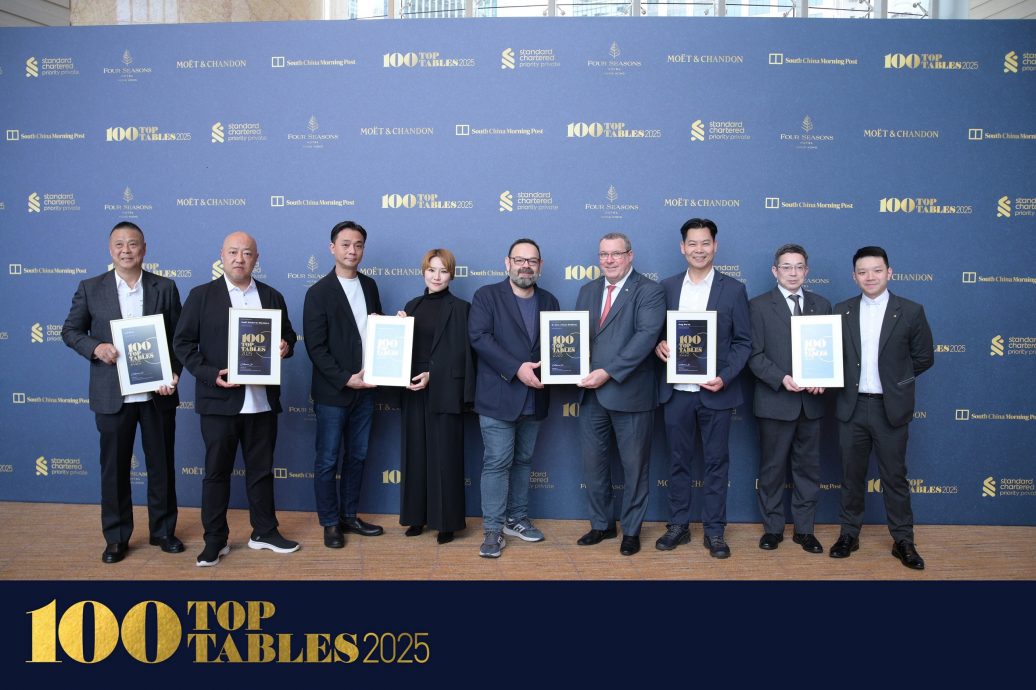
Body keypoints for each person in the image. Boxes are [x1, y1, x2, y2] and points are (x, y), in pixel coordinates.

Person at [173, 231, 299, 566]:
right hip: (219, 401)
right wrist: (210, 373)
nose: (239, 258)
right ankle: (215, 540)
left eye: (246, 253)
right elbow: (182, 344)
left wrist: (285, 345)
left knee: (261, 471)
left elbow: (287, 335)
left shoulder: (271, 296)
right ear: (222, 255)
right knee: (216, 473)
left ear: (256, 258)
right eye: (233, 252)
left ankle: (265, 532)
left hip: (262, 403)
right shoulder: (201, 296)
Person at [61, 221, 183, 564]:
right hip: (111, 395)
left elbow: (179, 338)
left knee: (162, 466)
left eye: (133, 244)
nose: (126, 250)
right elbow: (70, 331)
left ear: (144, 249)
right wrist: (95, 347)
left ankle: (163, 531)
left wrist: (173, 372)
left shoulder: (165, 287)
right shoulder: (90, 288)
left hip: (157, 394)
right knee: (113, 469)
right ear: (110, 249)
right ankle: (116, 537)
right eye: (119, 244)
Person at [830, 246, 934, 569]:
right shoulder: (841, 310)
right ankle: (849, 534)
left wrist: (896, 382)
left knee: (895, 478)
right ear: (854, 276)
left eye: (877, 270)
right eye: (863, 272)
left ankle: (903, 540)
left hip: (890, 409)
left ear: (889, 272)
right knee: (851, 476)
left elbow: (924, 357)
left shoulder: (911, 311)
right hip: (852, 407)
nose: (870, 277)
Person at [654, 218, 751, 559]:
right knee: (677, 462)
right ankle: (678, 526)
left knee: (716, 464)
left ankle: (714, 531)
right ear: (682, 248)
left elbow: (743, 342)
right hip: (676, 393)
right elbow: (655, 332)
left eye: (705, 243)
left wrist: (725, 376)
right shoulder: (666, 287)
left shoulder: (734, 289)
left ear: (715, 246)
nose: (699, 249)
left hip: (716, 392)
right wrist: (658, 345)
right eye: (692, 243)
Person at [575, 232, 666, 557]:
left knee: (635, 468)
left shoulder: (649, 290)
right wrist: (565, 364)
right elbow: (577, 337)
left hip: (631, 394)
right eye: (604, 254)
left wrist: (608, 372)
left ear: (630, 256)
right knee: (594, 465)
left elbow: (645, 337)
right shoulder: (587, 290)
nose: (609, 260)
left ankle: (631, 530)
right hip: (591, 395)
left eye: (616, 253)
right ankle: (601, 524)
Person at [469, 238, 560, 558]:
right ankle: (493, 530)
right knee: (497, 462)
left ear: (540, 266)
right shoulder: (487, 296)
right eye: (519, 260)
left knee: (523, 461)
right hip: (498, 396)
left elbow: (559, 345)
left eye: (532, 261)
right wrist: (516, 368)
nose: (525, 266)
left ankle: (516, 519)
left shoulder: (550, 301)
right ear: (507, 263)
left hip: (535, 395)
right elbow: (479, 338)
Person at [302, 220, 384, 549]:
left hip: (367, 389)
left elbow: (377, 332)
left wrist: (396, 327)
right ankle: (330, 522)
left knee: (358, 456)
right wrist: (345, 378)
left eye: (359, 245)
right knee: (327, 459)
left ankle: (349, 516)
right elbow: (315, 348)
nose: (353, 250)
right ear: (332, 248)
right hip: (333, 392)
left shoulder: (370, 286)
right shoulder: (318, 292)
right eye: (346, 244)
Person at [748, 243, 831, 554]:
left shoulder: (822, 305)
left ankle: (805, 530)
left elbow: (830, 352)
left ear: (806, 271)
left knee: (808, 470)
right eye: (786, 266)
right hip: (775, 401)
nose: (793, 272)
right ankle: (773, 529)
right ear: (775, 271)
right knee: (772, 470)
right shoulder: (758, 306)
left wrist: (823, 379)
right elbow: (753, 355)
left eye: (798, 267)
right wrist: (781, 378)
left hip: (812, 404)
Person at [397, 249, 475, 544]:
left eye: (443, 271)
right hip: (412, 388)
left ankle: (446, 523)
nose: (437, 276)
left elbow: (463, 355)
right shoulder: (411, 306)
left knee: (446, 458)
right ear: (423, 272)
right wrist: (396, 328)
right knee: (415, 454)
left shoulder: (462, 308)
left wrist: (433, 375)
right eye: (432, 270)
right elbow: (402, 348)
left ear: (451, 274)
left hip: (445, 389)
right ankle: (416, 518)